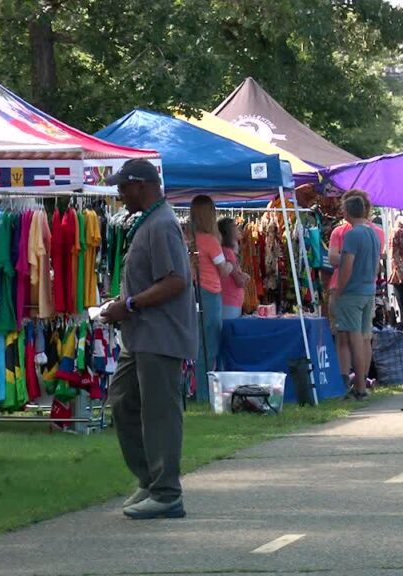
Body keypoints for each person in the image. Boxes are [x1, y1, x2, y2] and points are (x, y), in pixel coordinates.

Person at [101, 159, 197, 519]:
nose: (120, 194)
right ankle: (150, 480)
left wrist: (129, 304)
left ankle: (167, 493)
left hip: (161, 336)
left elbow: (176, 281)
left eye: (123, 187)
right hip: (139, 336)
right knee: (123, 401)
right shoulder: (147, 222)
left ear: (142, 185)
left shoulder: (162, 225)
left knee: (159, 414)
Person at [328, 190, 386, 389]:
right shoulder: (373, 233)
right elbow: (376, 265)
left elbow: (346, 266)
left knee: (353, 338)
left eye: (343, 209)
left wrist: (340, 289)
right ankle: (362, 382)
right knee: (363, 337)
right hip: (368, 291)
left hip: (352, 292)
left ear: (348, 211)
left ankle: (359, 385)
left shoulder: (352, 235)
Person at [189, 195, 233, 402]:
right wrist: (233, 265)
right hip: (210, 293)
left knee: (198, 344)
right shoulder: (210, 240)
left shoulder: (189, 238)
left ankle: (196, 390)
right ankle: (204, 395)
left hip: (194, 292)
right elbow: (223, 270)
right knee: (209, 345)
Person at [217, 217, 250, 320]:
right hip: (229, 302)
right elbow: (239, 281)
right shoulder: (228, 253)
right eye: (235, 226)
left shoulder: (225, 252)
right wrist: (246, 277)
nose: (238, 228)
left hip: (228, 302)